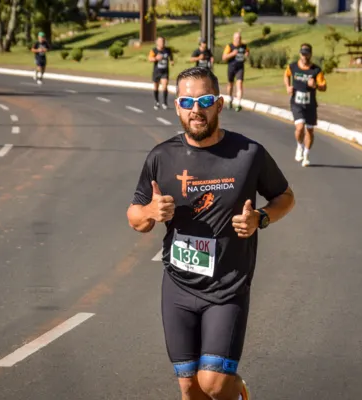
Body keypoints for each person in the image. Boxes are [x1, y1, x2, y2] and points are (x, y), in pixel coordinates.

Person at [126, 67, 296, 400]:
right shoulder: (161, 156)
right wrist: (150, 212)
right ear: (177, 107)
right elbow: (135, 216)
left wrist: (261, 218)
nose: (196, 109)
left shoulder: (249, 154)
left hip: (228, 286)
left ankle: (237, 391)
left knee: (214, 383)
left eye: (204, 100)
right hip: (178, 287)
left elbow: (285, 198)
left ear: (218, 104)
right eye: (187, 101)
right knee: (190, 387)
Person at [283, 43, 326, 167]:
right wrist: (288, 86)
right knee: (300, 127)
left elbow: (324, 86)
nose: (304, 57)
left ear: (310, 54)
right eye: (303, 54)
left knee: (310, 131)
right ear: (300, 54)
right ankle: (299, 146)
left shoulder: (316, 70)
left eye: (307, 54)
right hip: (296, 103)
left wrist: (316, 86)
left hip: (310, 104)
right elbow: (286, 75)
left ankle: (306, 155)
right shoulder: (293, 66)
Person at [221, 32, 249, 112]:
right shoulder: (230, 46)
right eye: (237, 38)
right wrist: (232, 54)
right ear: (234, 39)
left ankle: (238, 103)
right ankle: (230, 99)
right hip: (231, 67)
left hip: (240, 68)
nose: (238, 40)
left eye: (239, 38)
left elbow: (247, 51)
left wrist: (247, 54)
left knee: (239, 84)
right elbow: (224, 57)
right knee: (230, 85)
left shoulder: (244, 46)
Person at [148, 36, 175, 110]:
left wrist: (172, 61)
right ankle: (156, 101)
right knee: (156, 87)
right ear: (157, 42)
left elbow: (171, 56)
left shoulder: (167, 50)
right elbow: (150, 59)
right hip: (157, 71)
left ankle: (165, 102)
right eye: (160, 42)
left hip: (165, 71)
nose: (162, 43)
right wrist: (156, 58)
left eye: (163, 41)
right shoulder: (154, 50)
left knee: (165, 86)